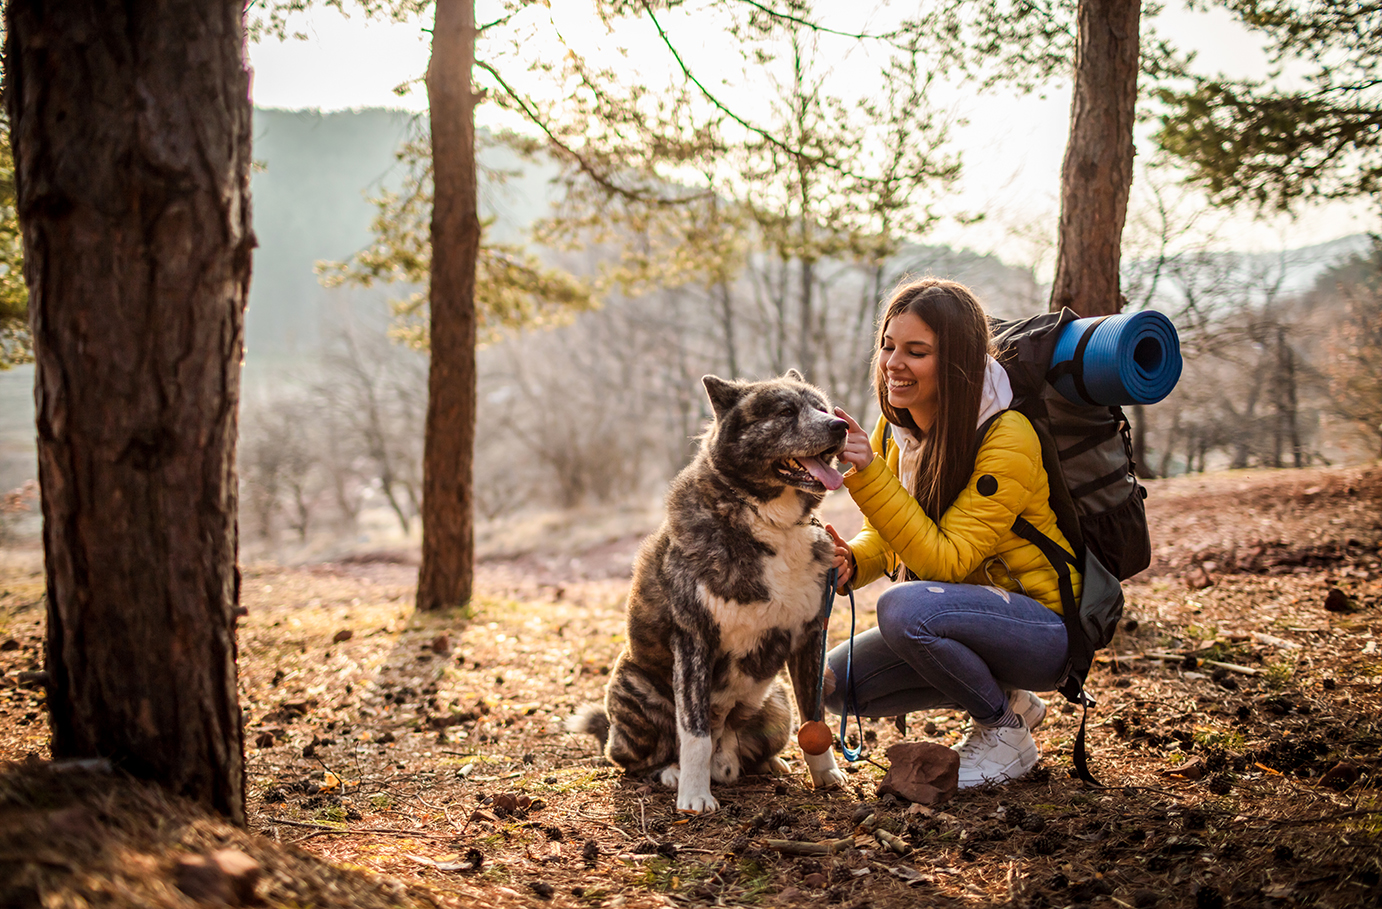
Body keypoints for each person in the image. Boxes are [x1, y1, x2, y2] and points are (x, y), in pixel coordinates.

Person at [822, 277, 1081, 788]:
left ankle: (1004, 734)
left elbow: (949, 560)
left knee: (903, 608)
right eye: (888, 346)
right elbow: (893, 533)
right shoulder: (896, 431)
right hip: (970, 616)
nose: (894, 363)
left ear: (956, 362)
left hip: (1044, 629)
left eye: (916, 352)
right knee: (837, 682)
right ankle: (1009, 700)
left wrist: (870, 477)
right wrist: (855, 560)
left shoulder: (1007, 435)